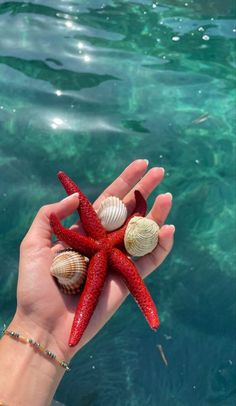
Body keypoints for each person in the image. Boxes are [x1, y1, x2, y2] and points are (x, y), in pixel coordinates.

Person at [0, 160, 174, 405]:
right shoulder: (106, 250)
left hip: (105, 248)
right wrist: (59, 230)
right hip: (105, 250)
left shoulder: (104, 248)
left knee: (119, 283)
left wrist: (59, 229)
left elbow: (72, 228)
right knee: (113, 284)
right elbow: (71, 231)